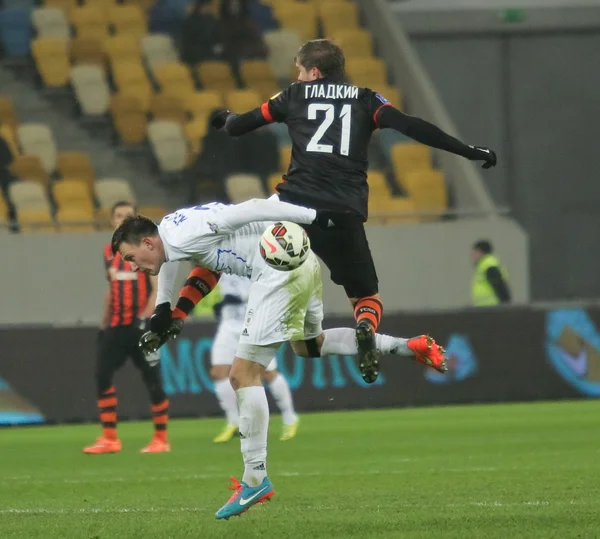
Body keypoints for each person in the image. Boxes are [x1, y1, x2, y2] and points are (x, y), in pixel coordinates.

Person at [110, 197, 447, 519]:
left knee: (243, 375)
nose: (133, 266)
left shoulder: (188, 231)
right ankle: (407, 346)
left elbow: (254, 208)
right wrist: (167, 310)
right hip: (301, 264)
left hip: (275, 274)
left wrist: (316, 217)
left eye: (130, 258)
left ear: (147, 244)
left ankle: (255, 480)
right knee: (308, 346)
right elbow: (183, 264)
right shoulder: (170, 231)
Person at [211, 39, 498, 385]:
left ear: (314, 72)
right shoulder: (367, 99)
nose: (298, 77)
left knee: (229, 245)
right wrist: (469, 151)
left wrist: (223, 118)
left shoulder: (294, 96)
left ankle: (224, 321)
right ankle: (364, 327)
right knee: (365, 297)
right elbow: (412, 126)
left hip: (290, 209)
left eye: (301, 71)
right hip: (341, 214)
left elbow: (239, 126)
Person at [83, 202, 170, 455]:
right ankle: (110, 437)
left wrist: (147, 319)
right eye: (118, 216)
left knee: (153, 379)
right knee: (102, 375)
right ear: (111, 220)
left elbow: (156, 288)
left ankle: (161, 439)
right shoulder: (108, 253)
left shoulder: (146, 249)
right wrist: (104, 322)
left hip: (140, 325)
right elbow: (112, 289)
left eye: (127, 217)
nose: (122, 220)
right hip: (116, 326)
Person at [211, 273, 299, 443]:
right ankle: (233, 422)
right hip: (229, 324)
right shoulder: (220, 255)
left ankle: (290, 418)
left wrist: (235, 298)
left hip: (255, 322)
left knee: (267, 372)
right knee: (218, 372)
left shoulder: (251, 253)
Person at [471, 240, 511, 306]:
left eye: (474, 253)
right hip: (488, 309)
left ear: (480, 252)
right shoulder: (485, 265)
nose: (473, 256)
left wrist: (505, 308)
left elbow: (500, 288)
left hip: (492, 309)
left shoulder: (489, 266)